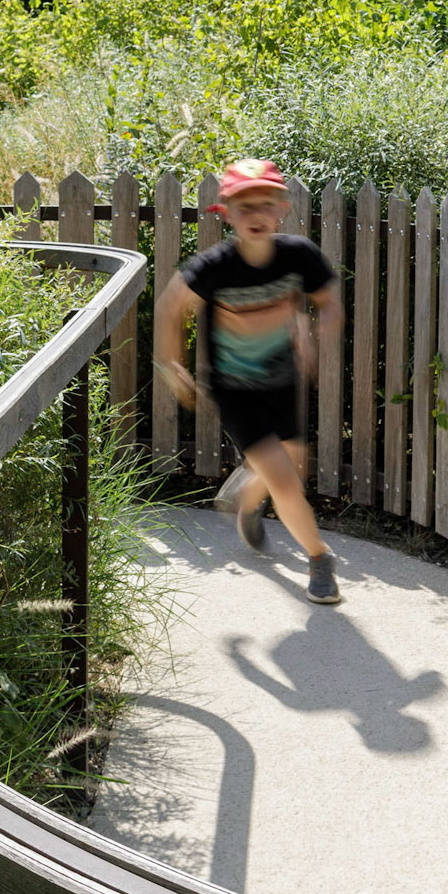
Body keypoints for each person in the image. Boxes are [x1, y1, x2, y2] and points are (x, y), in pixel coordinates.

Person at [155, 158, 344, 604]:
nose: (256, 214)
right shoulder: (215, 266)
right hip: (234, 388)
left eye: (265, 204)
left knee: (293, 464)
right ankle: (320, 558)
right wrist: (170, 364)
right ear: (226, 213)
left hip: (281, 380)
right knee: (285, 481)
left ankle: (244, 502)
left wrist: (315, 334)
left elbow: (329, 299)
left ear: (282, 207)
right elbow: (169, 307)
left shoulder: (298, 256)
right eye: (244, 206)